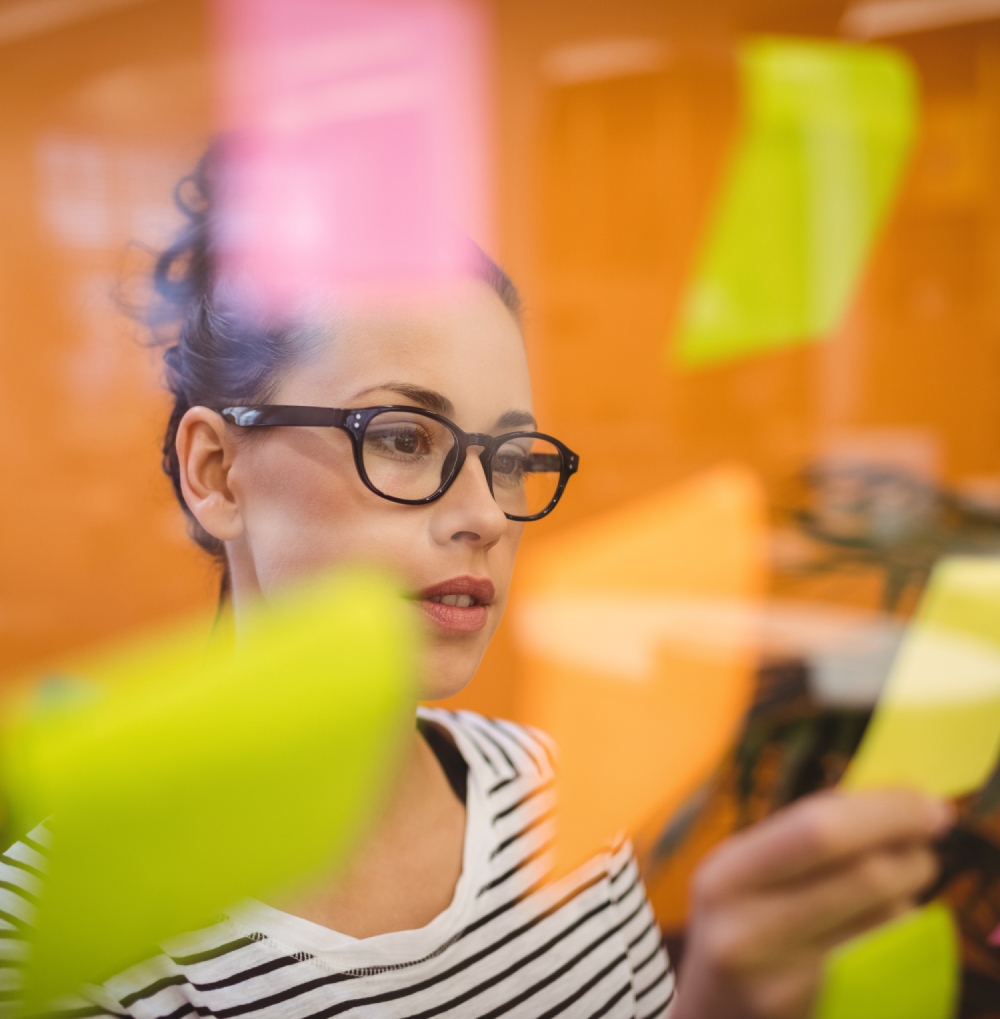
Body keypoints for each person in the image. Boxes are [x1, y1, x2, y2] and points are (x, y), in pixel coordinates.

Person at [0, 153, 952, 1019]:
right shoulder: (57, 935)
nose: (487, 513)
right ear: (216, 472)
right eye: (402, 438)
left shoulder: (555, 794)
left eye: (508, 456)